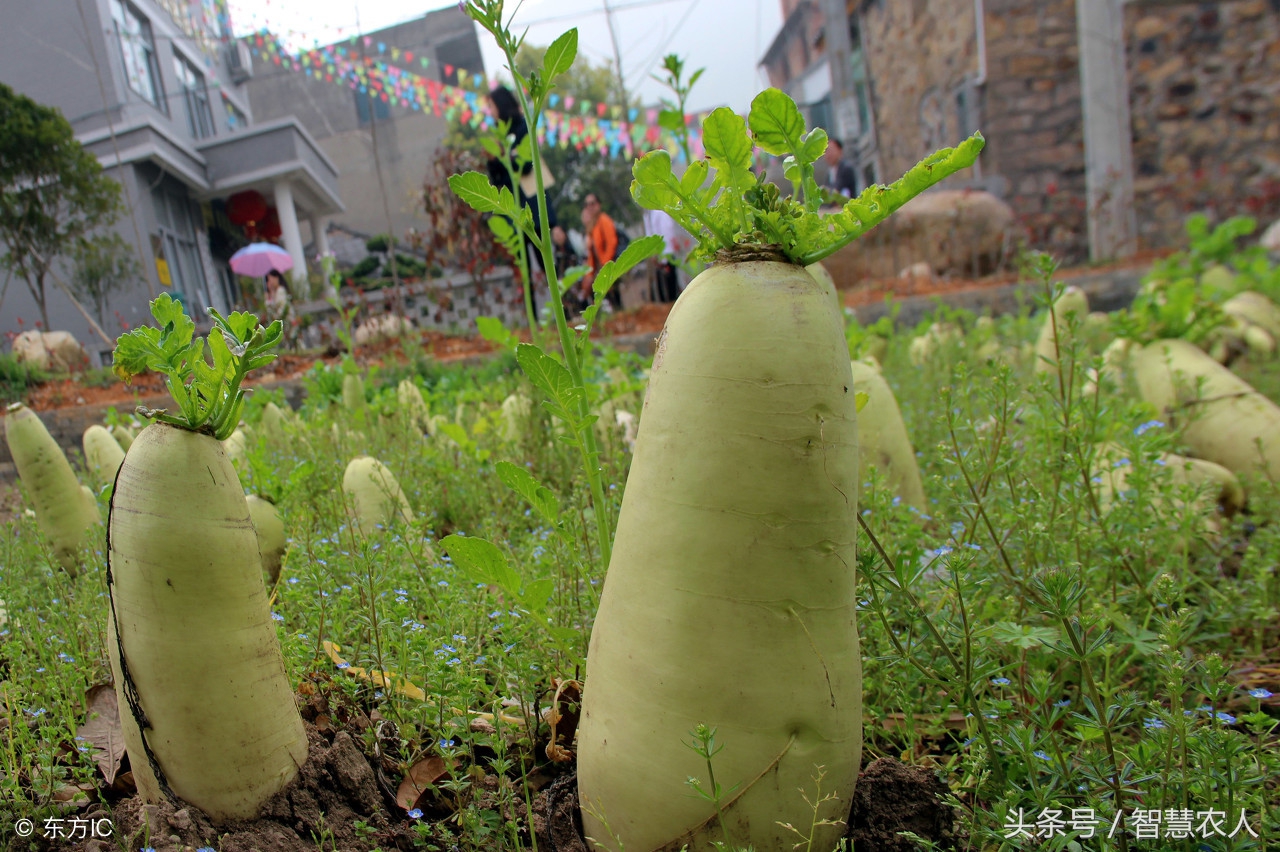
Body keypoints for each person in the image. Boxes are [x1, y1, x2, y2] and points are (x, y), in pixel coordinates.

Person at [581, 193, 623, 311]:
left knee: (614, 298)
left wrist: (605, 265)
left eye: (592, 203)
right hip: (601, 269)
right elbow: (592, 254)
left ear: (599, 204)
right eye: (587, 205)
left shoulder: (604, 220)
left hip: (609, 266)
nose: (590, 207)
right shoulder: (594, 226)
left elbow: (612, 243)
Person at [642, 208, 690, 303]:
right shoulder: (648, 214)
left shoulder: (659, 212)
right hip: (661, 254)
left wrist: (660, 253)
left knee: (671, 285)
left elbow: (667, 232)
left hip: (666, 253)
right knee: (666, 284)